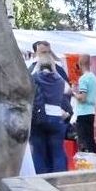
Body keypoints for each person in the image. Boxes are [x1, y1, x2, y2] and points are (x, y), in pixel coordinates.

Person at [28, 40, 71, 175]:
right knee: (57, 151)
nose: (46, 54)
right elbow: (67, 91)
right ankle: (61, 178)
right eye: (43, 52)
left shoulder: (33, 76)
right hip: (57, 117)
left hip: (39, 117)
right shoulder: (59, 78)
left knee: (38, 152)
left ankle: (42, 180)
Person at [72, 54, 96, 155]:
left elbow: (83, 98)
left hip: (83, 113)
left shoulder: (83, 79)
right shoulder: (94, 78)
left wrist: (73, 93)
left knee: (84, 141)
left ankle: (88, 159)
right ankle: (95, 158)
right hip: (91, 111)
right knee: (90, 139)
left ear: (79, 64)